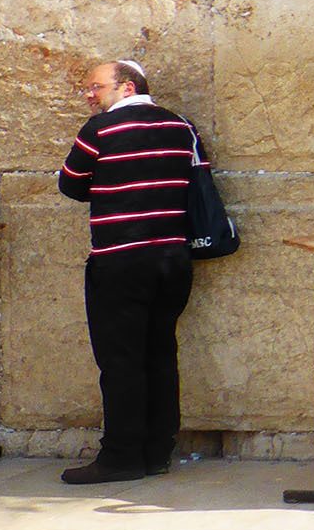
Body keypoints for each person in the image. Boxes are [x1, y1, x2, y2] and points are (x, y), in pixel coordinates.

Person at [55, 60, 205, 485]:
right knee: (160, 353)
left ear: (126, 87)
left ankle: (121, 456)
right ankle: (157, 451)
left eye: (96, 86)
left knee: (120, 361)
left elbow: (70, 185)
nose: (89, 94)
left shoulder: (99, 130)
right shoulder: (181, 127)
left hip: (120, 260)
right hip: (172, 259)